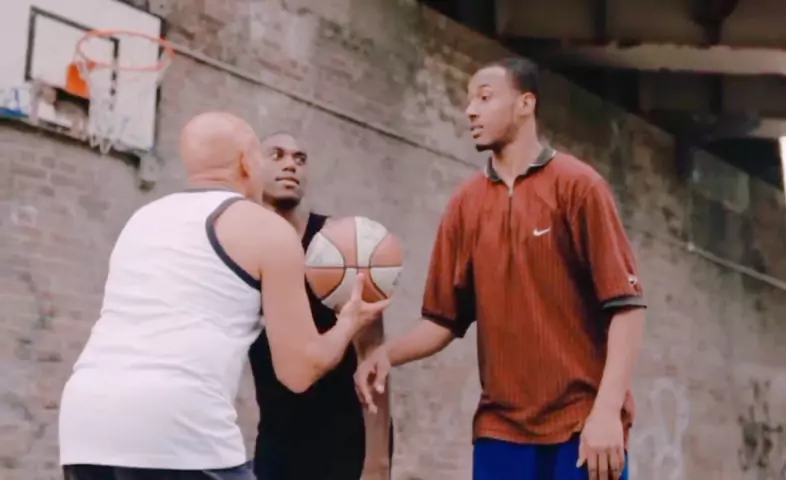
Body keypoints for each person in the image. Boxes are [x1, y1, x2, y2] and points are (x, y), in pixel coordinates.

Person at [355, 57, 646, 480]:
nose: (470, 111)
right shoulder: (464, 205)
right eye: (469, 100)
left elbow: (627, 307)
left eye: (485, 98)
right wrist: (384, 355)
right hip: (501, 428)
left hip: (582, 423)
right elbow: (442, 321)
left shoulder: (579, 186)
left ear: (526, 103)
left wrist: (606, 412)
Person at [57, 112, 388, 480]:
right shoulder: (267, 229)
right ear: (248, 163)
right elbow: (299, 371)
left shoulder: (142, 220)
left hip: (84, 426)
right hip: (176, 427)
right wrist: (349, 323)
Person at [249, 131, 393, 480]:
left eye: (299, 159)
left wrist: (377, 461)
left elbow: (373, 354)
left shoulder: (340, 244)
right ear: (251, 166)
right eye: (277, 155)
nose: (290, 165)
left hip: (342, 444)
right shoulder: (245, 247)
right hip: (275, 442)